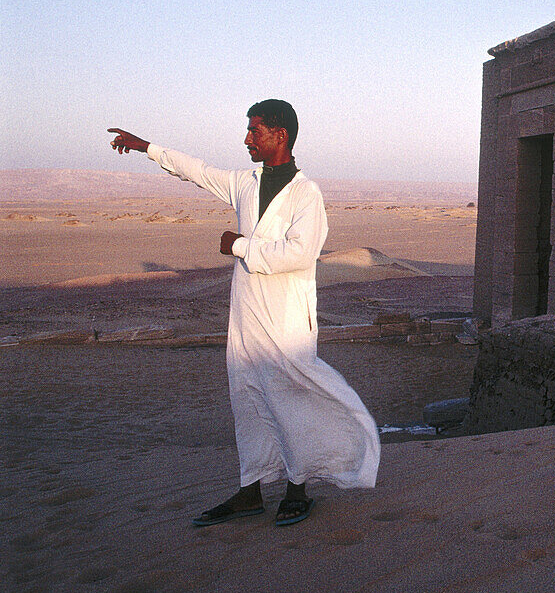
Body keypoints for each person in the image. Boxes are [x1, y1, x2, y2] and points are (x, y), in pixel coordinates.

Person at [109, 99, 380, 527]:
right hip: (247, 313)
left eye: (255, 131)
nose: (246, 138)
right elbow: (196, 170)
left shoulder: (306, 194)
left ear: (281, 135)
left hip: (287, 317)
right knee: (248, 394)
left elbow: (299, 254)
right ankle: (250, 489)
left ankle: (298, 487)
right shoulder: (245, 182)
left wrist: (238, 246)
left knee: (293, 394)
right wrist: (147, 147)